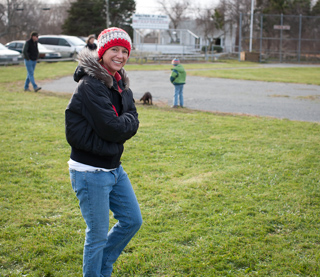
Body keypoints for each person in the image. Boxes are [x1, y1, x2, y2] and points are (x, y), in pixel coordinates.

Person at [65, 27, 142, 277]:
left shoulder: (120, 83)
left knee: (132, 220)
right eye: (114, 50)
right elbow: (112, 128)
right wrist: (125, 123)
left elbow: (132, 118)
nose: (120, 55)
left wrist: (125, 122)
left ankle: (103, 267)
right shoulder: (90, 84)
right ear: (102, 52)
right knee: (97, 236)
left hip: (113, 167)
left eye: (124, 51)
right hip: (90, 171)